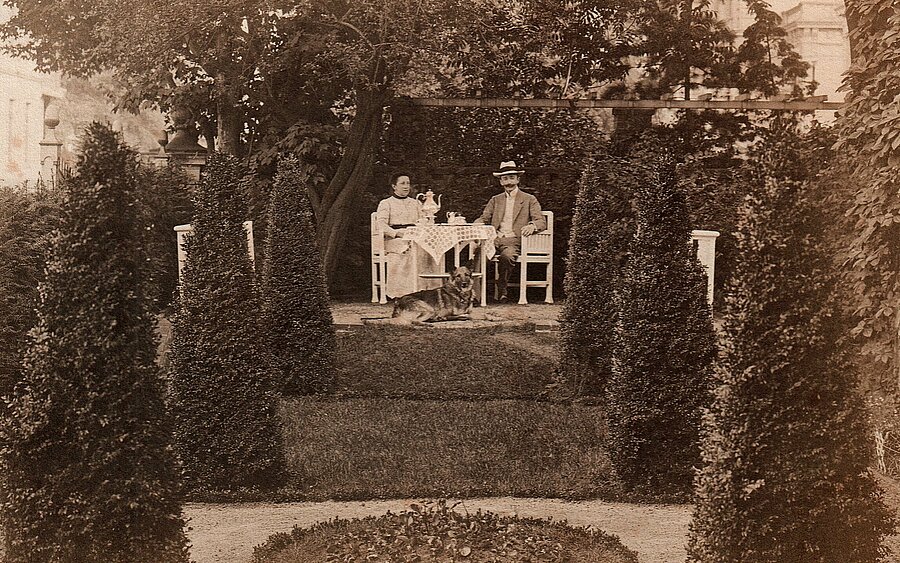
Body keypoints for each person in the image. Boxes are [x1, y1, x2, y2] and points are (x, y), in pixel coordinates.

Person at [474, 160, 546, 302]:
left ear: (518, 179)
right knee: (480, 255)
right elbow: (484, 218)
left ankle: (502, 290)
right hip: (494, 239)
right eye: (505, 178)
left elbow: (541, 221)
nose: (509, 182)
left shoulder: (529, 199)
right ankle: (475, 295)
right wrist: (477, 225)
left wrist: (532, 226)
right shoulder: (495, 200)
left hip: (513, 241)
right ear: (501, 181)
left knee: (507, 256)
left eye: (512, 177)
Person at [375, 172, 440, 298]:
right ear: (394, 186)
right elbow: (381, 225)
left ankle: (428, 290)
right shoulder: (386, 203)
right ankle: (403, 292)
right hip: (395, 239)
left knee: (431, 248)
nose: (406, 186)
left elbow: (424, 220)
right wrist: (396, 233)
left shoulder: (415, 203)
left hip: (415, 235)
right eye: (402, 183)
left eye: (408, 183)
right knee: (407, 248)